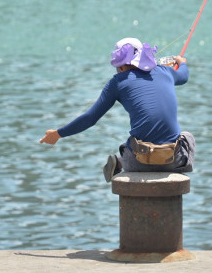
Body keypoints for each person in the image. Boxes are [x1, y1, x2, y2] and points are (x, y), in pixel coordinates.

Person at [39, 37, 195, 182]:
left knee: (129, 146)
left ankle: (120, 163)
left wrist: (58, 134)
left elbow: (90, 118)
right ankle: (175, 166)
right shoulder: (165, 72)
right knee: (187, 137)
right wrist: (182, 62)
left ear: (120, 65)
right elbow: (183, 76)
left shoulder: (118, 82)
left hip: (138, 163)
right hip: (173, 160)